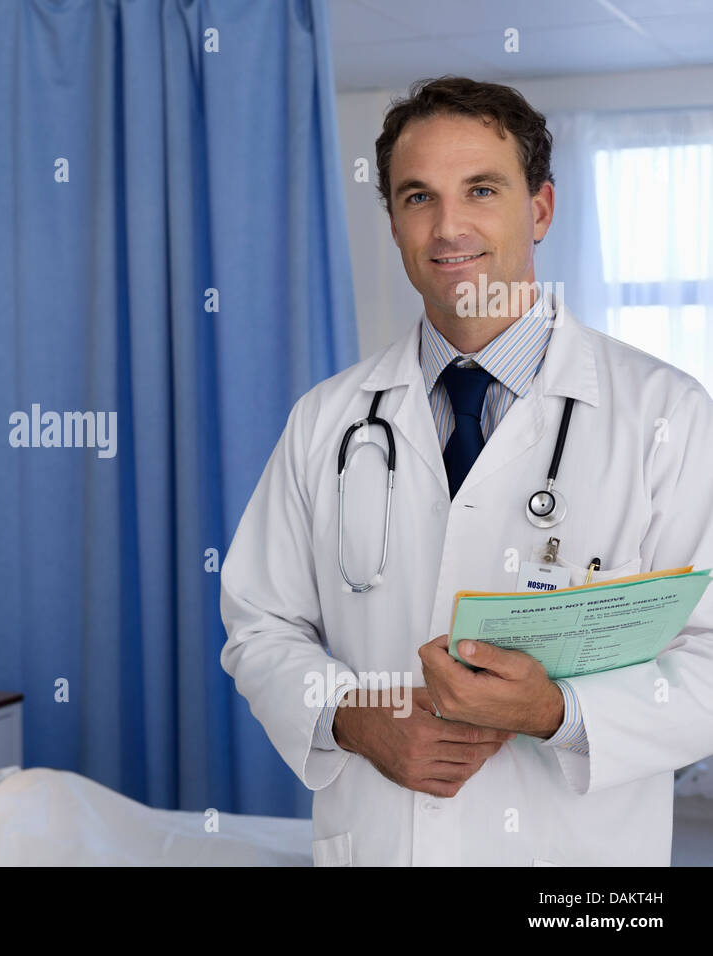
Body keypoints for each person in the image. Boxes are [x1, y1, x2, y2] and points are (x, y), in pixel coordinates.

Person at [219, 76, 713, 866]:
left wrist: (560, 711)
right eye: (418, 197)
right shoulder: (329, 418)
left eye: (481, 189)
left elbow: (707, 657)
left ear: (540, 208)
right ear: (392, 222)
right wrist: (350, 715)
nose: (449, 227)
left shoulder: (670, 416)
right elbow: (260, 623)